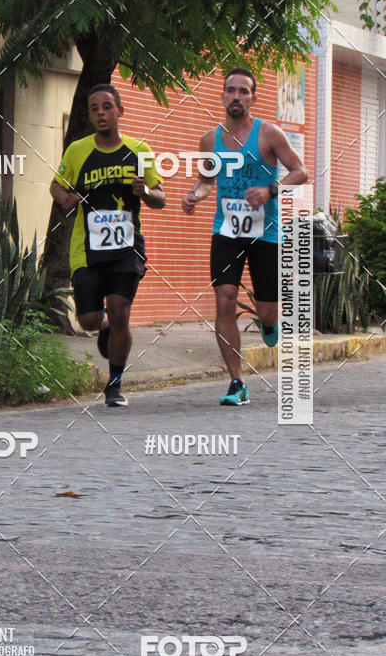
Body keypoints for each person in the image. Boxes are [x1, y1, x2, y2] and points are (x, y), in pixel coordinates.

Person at [181, 67, 308, 406]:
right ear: (222, 95)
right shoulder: (210, 140)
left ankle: (269, 324)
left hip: (265, 233)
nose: (236, 96)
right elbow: (207, 181)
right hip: (226, 231)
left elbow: (301, 171)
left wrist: (271, 190)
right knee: (224, 298)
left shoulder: (269, 134)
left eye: (243, 91)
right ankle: (237, 381)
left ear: (253, 97)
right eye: (230, 90)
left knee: (268, 313)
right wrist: (195, 196)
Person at [51, 83, 165, 406]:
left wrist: (146, 193)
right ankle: (102, 325)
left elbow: (161, 198)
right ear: (89, 115)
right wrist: (65, 198)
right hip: (86, 249)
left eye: (107, 107)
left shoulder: (140, 151)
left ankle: (114, 385)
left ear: (120, 111)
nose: (101, 113)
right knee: (87, 319)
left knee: (120, 311)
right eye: (94, 108)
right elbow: (55, 186)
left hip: (127, 249)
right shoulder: (77, 151)